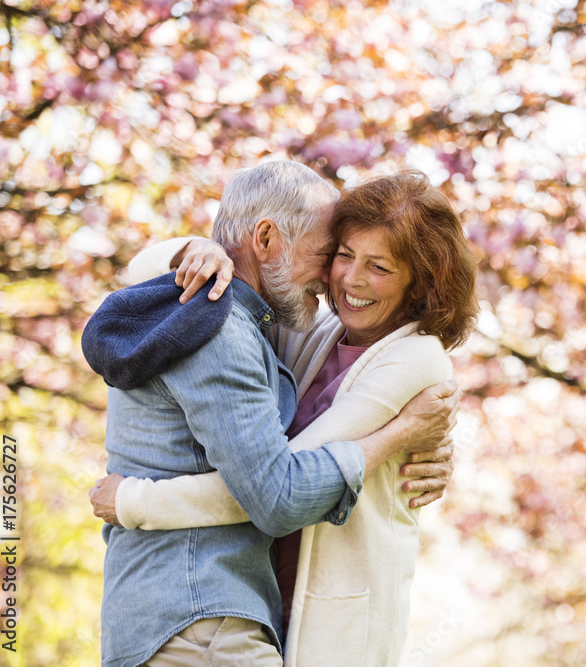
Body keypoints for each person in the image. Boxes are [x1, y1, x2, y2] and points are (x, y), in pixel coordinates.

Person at [91, 168, 479, 666]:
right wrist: (198, 252)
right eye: (338, 254)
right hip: (228, 608)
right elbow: (149, 268)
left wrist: (137, 501)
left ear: (418, 284)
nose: (344, 278)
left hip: (331, 619)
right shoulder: (305, 328)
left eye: (379, 267)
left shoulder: (417, 360)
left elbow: (278, 484)